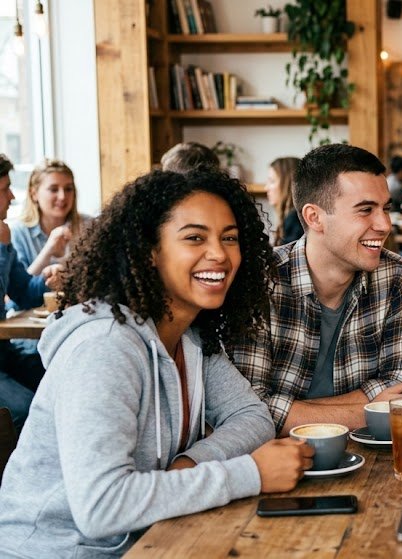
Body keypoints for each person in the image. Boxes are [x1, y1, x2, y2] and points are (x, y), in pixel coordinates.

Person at [0, 169, 312, 557]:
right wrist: (249, 474)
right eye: (195, 237)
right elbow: (102, 507)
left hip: (149, 542)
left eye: (229, 238)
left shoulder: (190, 335)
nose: (219, 253)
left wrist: (190, 464)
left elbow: (252, 416)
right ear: (149, 251)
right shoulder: (105, 346)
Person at [231, 144, 402, 434]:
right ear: (314, 217)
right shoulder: (261, 280)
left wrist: (294, 411)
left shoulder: (396, 274)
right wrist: (366, 412)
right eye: (365, 210)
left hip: (370, 458)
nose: (385, 224)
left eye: (385, 208)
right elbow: (247, 408)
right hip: (278, 461)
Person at [0, 154, 47, 429]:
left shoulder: (3, 233)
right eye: (4, 189)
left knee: (61, 379)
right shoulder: (4, 237)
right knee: (27, 410)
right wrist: (3, 250)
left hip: (6, 351)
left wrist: (49, 280)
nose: (12, 197)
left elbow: (24, 293)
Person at [11, 159, 91, 276]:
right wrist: (48, 251)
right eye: (53, 189)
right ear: (34, 194)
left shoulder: (89, 226)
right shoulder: (19, 232)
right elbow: (19, 289)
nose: (62, 196)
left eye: (68, 189)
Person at [266, 156, 303, 245]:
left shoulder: (295, 219)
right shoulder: (292, 217)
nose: (266, 188)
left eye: (272, 181)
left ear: (288, 183)